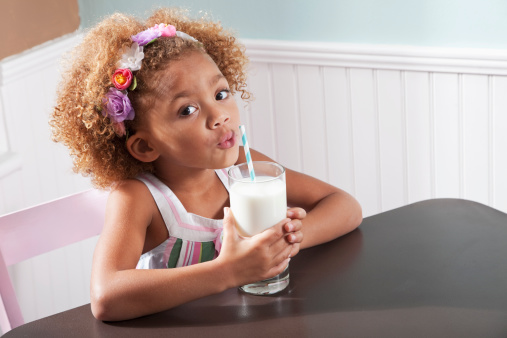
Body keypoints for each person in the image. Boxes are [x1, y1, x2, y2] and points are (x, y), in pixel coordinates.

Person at [49, 8, 362, 321]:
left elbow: (346, 207)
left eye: (221, 93)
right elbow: (106, 297)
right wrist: (227, 272)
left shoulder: (241, 166)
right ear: (146, 146)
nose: (219, 116)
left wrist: (289, 240)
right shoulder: (140, 199)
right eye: (187, 110)